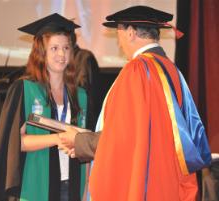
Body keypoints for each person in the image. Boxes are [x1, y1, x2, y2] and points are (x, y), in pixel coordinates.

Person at [60, 6, 212, 201]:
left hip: (147, 183)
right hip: (167, 182)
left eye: (119, 33)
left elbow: (122, 137)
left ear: (130, 32)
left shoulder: (137, 70)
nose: (119, 41)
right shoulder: (171, 70)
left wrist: (79, 141)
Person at [0, 13, 90, 201]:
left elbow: (87, 145)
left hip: (73, 184)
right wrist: (57, 139)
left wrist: (86, 191)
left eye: (66, 47)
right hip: (35, 185)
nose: (62, 54)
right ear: (41, 52)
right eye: (55, 48)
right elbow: (16, 142)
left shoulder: (80, 96)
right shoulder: (25, 90)